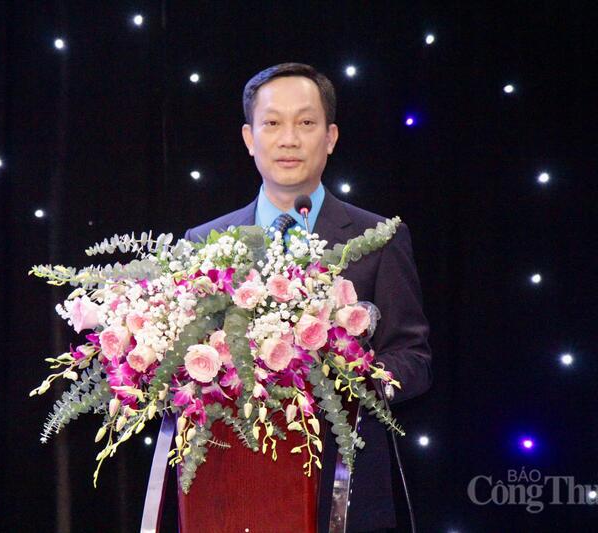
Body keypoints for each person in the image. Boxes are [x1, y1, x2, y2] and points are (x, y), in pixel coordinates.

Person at [184, 63, 433, 533]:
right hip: (231, 485)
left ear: (331, 136)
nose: (289, 139)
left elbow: (414, 359)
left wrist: (347, 380)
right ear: (249, 138)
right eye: (272, 123)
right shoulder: (204, 241)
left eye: (306, 122)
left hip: (346, 488)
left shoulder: (378, 238)